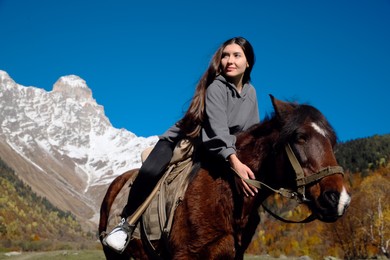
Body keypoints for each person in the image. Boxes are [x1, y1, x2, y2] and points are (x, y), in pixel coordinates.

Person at [103, 36, 260, 253]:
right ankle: (126, 224)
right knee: (150, 170)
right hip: (189, 140)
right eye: (225, 56)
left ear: (248, 62)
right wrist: (234, 160)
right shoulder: (216, 87)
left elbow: (250, 134)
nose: (229, 61)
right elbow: (217, 130)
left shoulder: (251, 93)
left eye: (236, 55)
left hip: (220, 149)